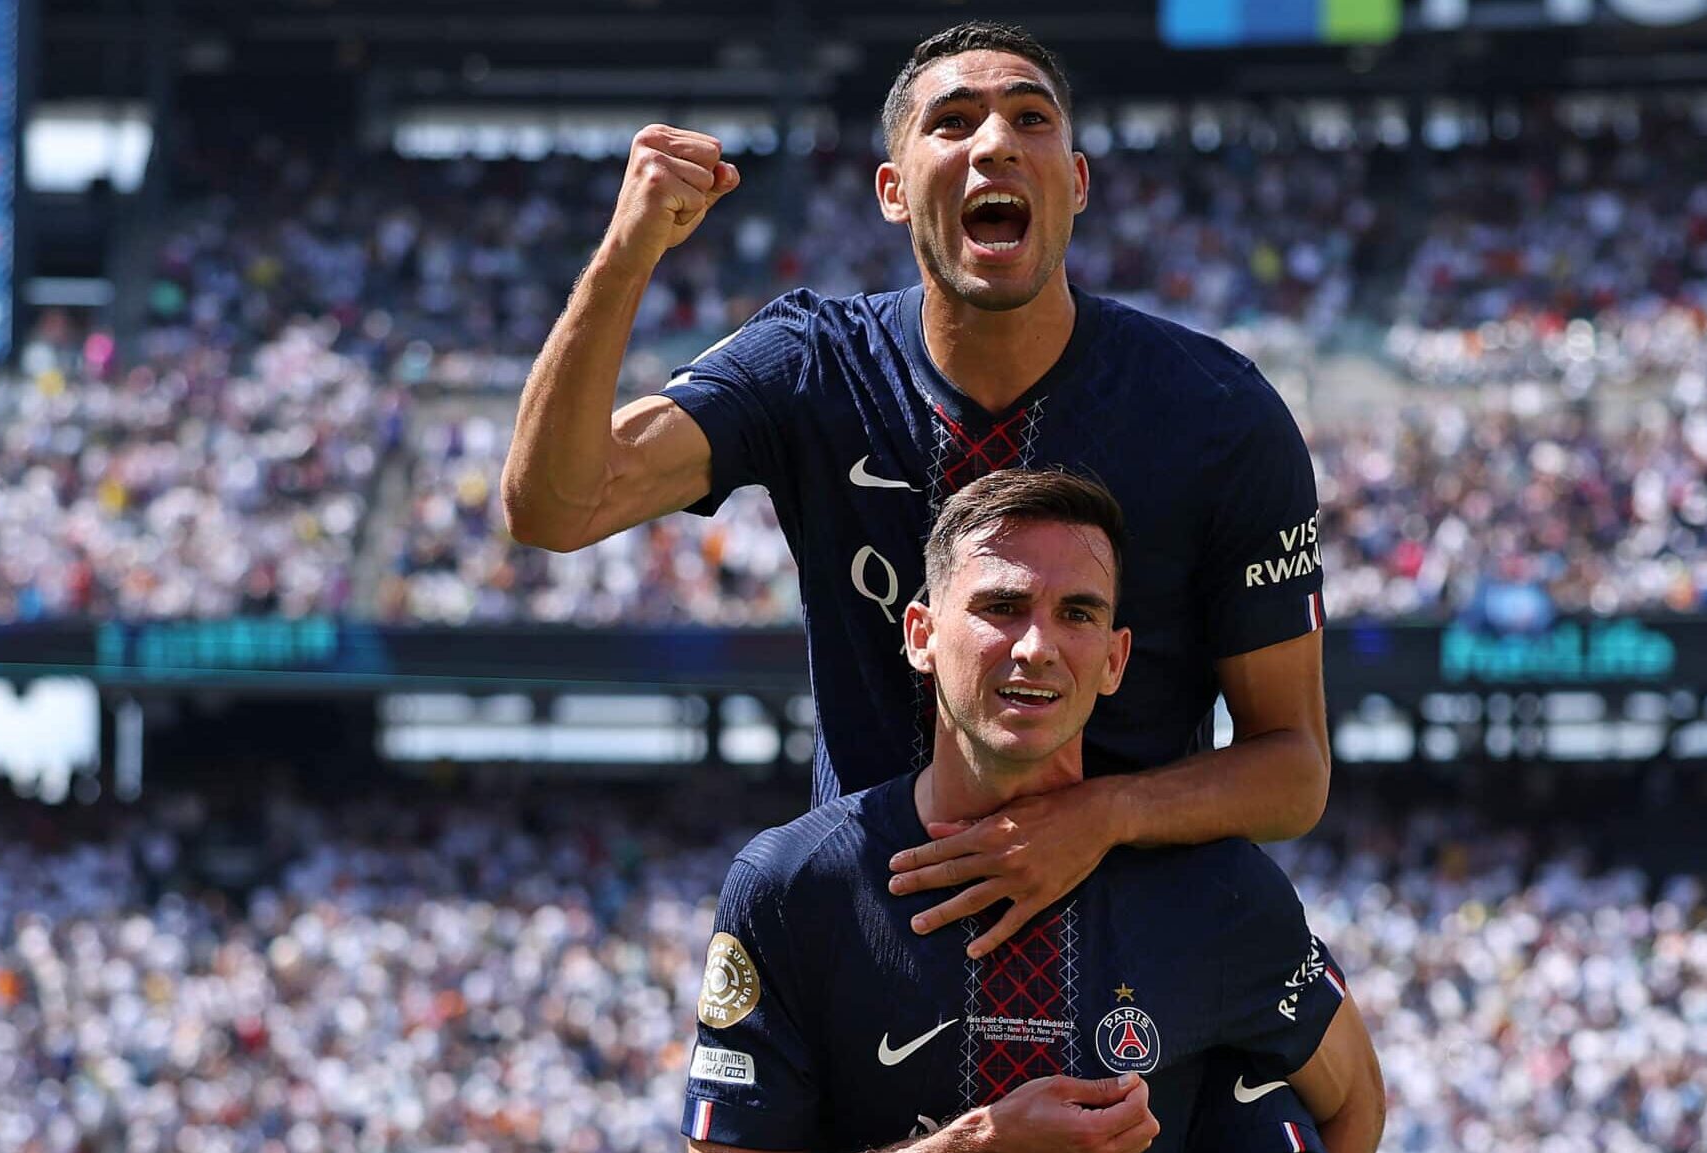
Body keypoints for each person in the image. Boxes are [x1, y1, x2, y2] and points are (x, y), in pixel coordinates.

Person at [504, 17, 1329, 965]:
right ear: (893, 192)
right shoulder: (812, 363)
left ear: (1079, 181)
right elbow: (554, 507)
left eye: (1031, 118)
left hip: (1138, 965)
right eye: (954, 121)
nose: (994, 143)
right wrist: (627, 252)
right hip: (873, 950)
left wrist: (1101, 816)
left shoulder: (1219, 411)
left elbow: (1293, 767)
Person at [681, 470, 1383, 1153]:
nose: (1038, 647)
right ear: (921, 635)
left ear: (1115, 659)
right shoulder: (791, 887)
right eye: (1002, 607)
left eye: (1077, 613)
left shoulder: (1222, 892)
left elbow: (1354, 1102)